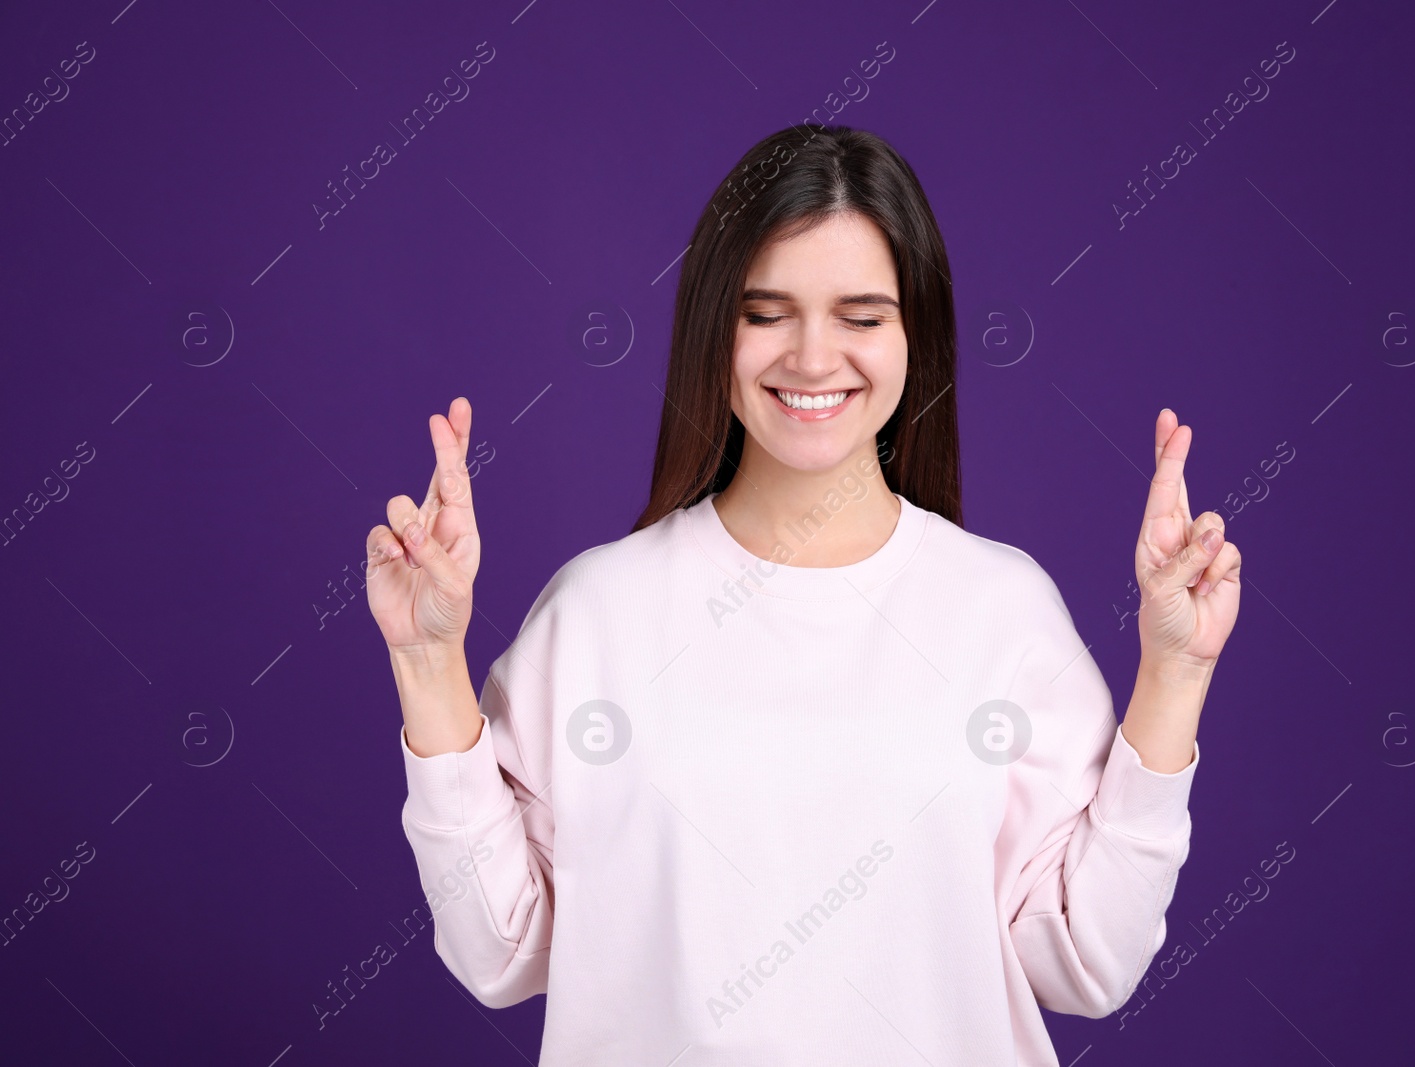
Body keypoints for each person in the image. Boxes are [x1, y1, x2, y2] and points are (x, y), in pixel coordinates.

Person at [365, 125, 1241, 1066]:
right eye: (766, 312)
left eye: (862, 317)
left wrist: (1176, 670)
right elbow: (498, 951)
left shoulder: (1002, 609)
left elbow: (1091, 962)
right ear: (713, 328)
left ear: (919, 335)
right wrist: (426, 661)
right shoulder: (596, 612)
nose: (815, 358)